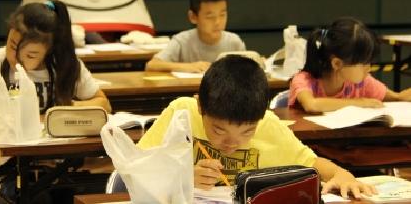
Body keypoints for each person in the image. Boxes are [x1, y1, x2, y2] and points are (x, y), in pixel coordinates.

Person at [138, 56, 377, 199]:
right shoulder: (183, 114)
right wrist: (182, 177)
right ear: (201, 106)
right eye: (219, 130)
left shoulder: (268, 125)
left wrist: (343, 175)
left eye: (247, 132)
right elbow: (136, 168)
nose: (232, 143)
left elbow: (313, 163)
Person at [0, 0, 111, 203]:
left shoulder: (65, 65)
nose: (16, 59)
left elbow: (104, 104)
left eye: (30, 55)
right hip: (12, 159)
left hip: (58, 160)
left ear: (49, 50)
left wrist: (65, 110)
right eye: (12, 46)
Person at [289, 17, 411, 113]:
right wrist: (360, 102)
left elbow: (396, 97)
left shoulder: (362, 82)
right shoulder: (304, 80)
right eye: (362, 63)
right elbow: (312, 105)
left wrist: (402, 96)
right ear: (337, 63)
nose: (368, 68)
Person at [145, 0, 245, 73]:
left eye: (222, 15)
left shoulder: (234, 43)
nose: (217, 22)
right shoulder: (182, 41)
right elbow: (152, 65)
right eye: (210, 17)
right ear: (193, 17)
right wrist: (188, 67)